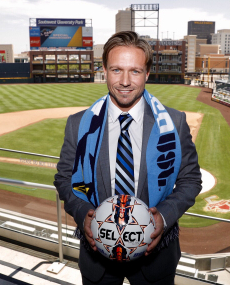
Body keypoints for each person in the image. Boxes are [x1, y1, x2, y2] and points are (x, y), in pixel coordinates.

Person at [54, 31, 202, 284]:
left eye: (134, 71)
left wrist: (163, 217)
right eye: (116, 70)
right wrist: (82, 213)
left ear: (147, 73)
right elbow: (64, 179)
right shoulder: (78, 124)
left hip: (155, 259)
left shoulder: (174, 123)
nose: (124, 81)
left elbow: (190, 180)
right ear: (104, 70)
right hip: (97, 258)